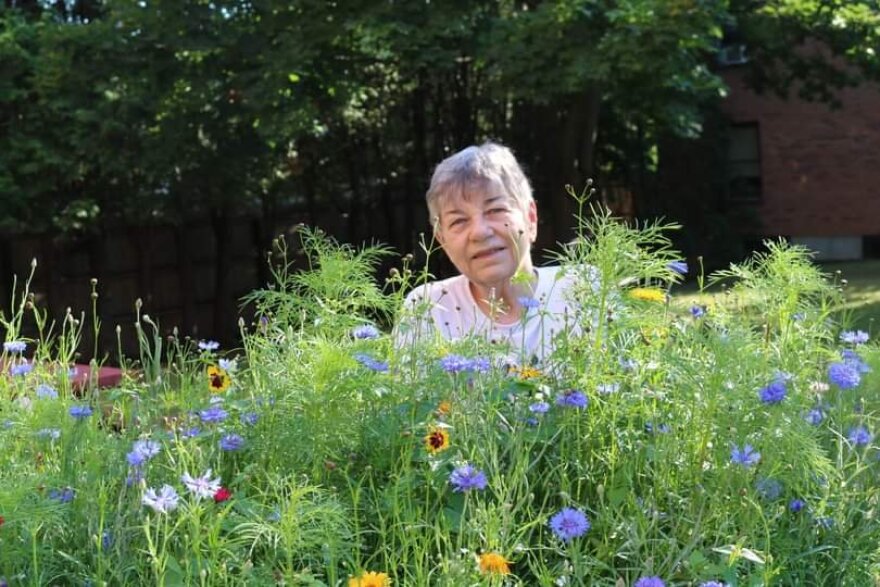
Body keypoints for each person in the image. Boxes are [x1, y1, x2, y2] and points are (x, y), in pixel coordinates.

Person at [395, 142, 580, 364]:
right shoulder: (428, 310)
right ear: (442, 240)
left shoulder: (582, 291)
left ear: (530, 218)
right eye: (459, 221)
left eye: (495, 210)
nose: (480, 232)